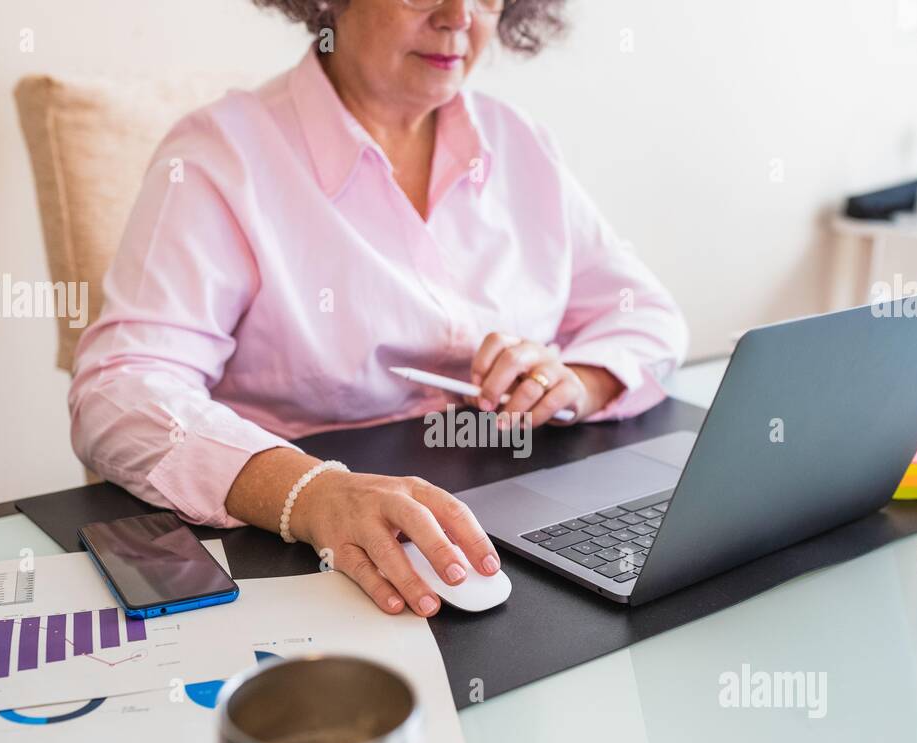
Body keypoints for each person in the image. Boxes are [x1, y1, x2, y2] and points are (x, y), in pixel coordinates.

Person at [69, 0, 687, 617]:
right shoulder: (221, 155)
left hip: (514, 533)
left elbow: (645, 316)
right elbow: (118, 388)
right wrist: (309, 493)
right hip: (298, 565)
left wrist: (574, 381)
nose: (458, 16)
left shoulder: (517, 143)